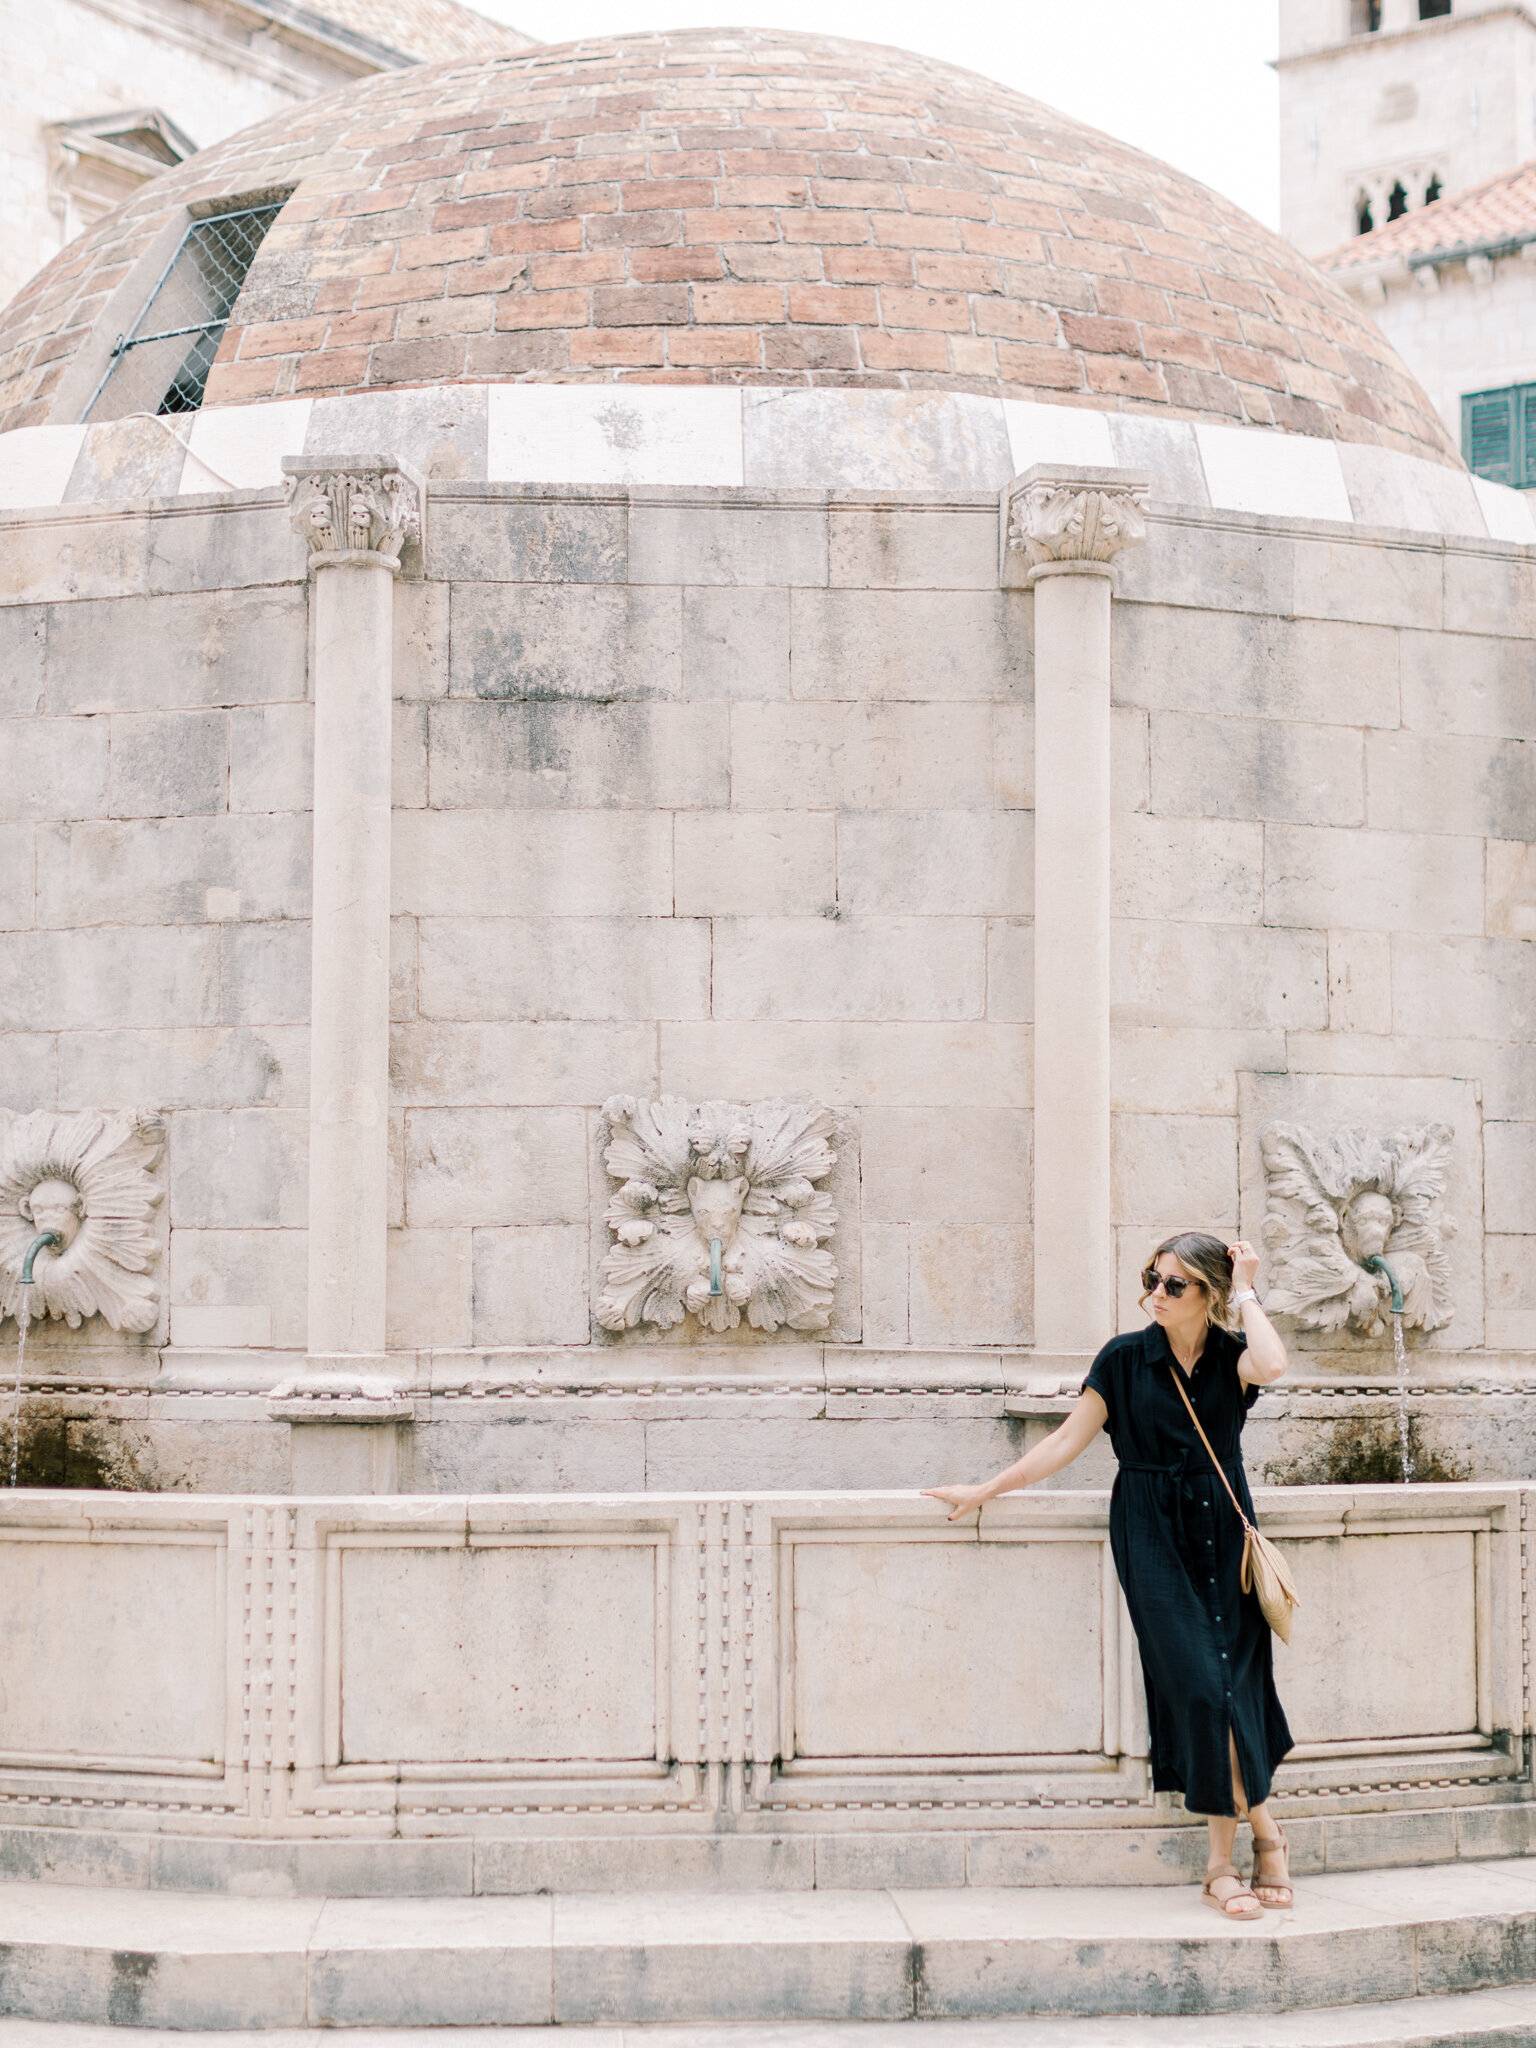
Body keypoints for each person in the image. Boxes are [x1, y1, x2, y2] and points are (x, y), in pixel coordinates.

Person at [926, 1233, 1294, 1920]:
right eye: (1151, 1279)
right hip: (1152, 1531)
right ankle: (1260, 1837)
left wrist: (1248, 1286)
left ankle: (1229, 1862)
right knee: (1200, 1688)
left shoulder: (1228, 1358)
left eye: (1174, 1286)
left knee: (1234, 1685)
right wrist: (986, 1489)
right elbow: (1066, 1440)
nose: (1154, 1294)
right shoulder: (1125, 1359)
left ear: (1209, 1295)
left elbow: (1272, 1363)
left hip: (1224, 1530)